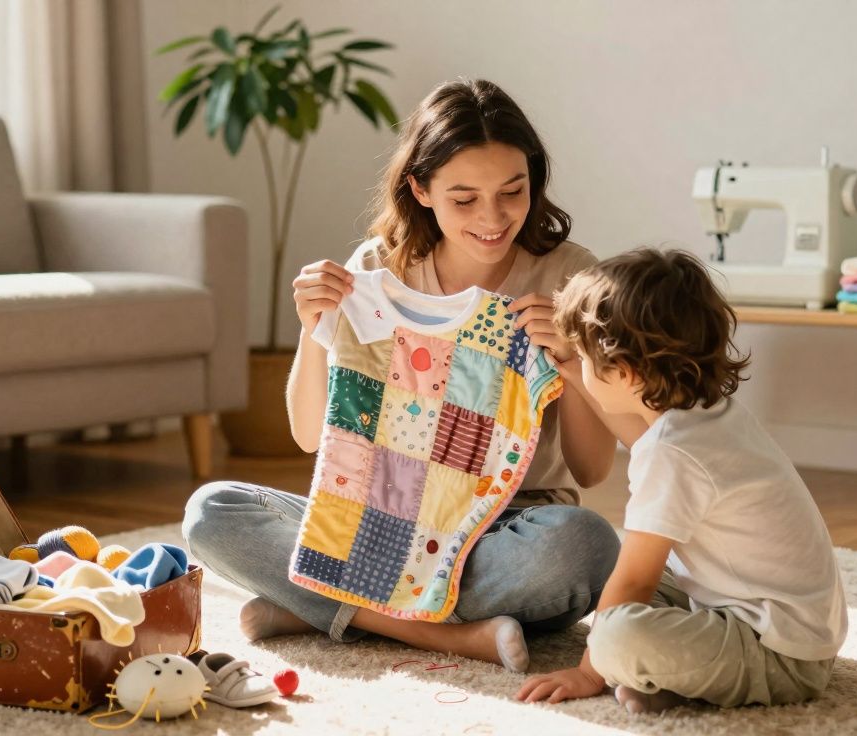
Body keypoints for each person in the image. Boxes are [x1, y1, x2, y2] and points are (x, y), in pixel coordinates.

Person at [182, 79, 641, 672]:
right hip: (379, 515)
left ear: (535, 180)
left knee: (586, 546)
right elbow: (308, 437)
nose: (493, 218)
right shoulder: (378, 271)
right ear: (420, 189)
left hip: (510, 523)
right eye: (464, 198)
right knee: (211, 511)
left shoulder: (571, 275)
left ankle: (323, 607)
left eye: (513, 191)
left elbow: (592, 469)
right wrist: (312, 329)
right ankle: (444, 634)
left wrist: (574, 365)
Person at [518, 247, 847, 712]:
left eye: (588, 360)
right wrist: (572, 369)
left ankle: (651, 671)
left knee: (616, 631)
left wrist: (590, 670)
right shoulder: (705, 414)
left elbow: (634, 580)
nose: (582, 367)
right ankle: (672, 684)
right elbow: (644, 441)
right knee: (644, 589)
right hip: (776, 618)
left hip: (781, 653)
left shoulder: (674, 454)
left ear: (625, 373)